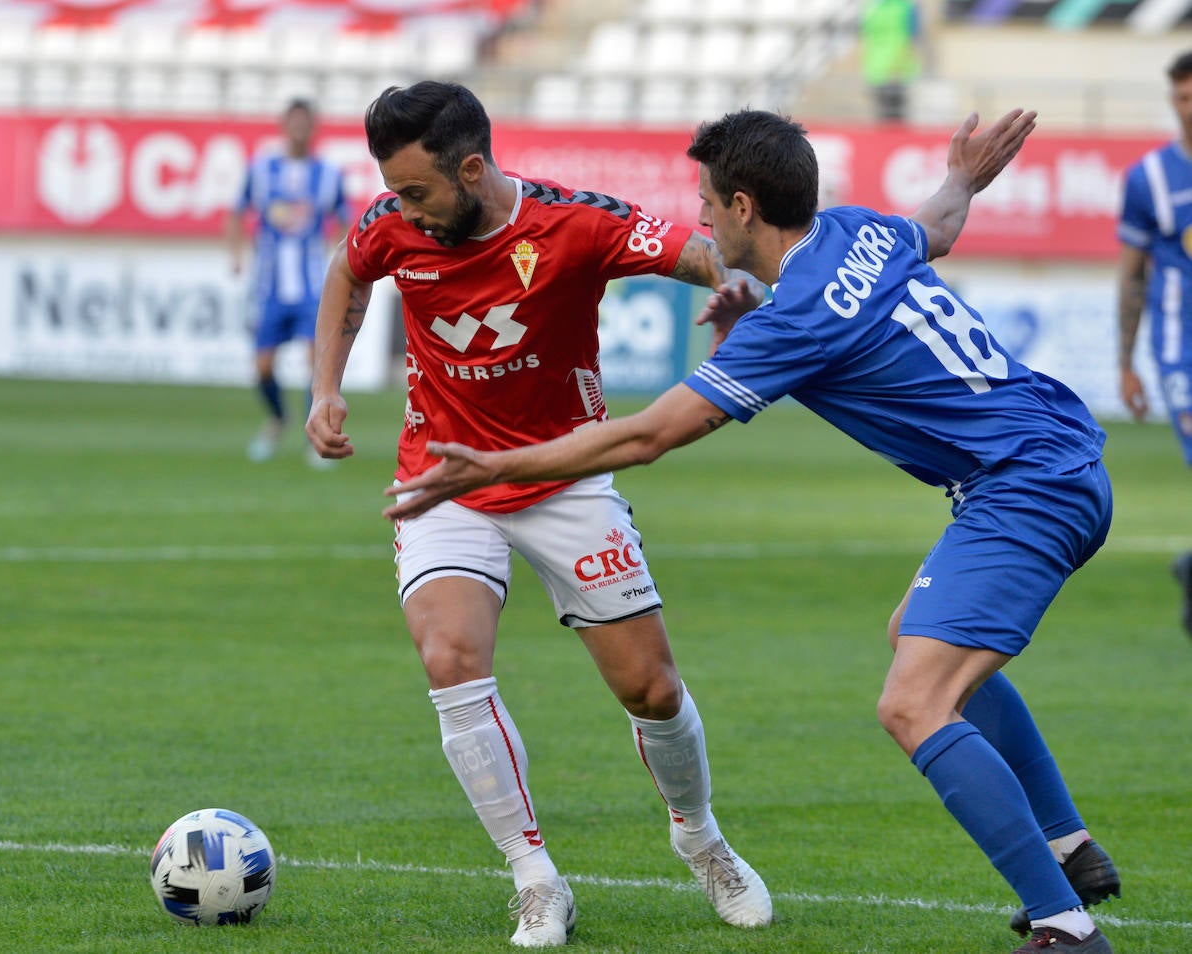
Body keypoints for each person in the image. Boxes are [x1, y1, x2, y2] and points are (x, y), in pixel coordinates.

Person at [385, 108, 1123, 954]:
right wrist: (961, 176)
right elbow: (939, 224)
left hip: (1024, 488)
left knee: (914, 704)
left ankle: (1066, 929)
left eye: (705, 200)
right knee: (923, 652)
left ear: (742, 206)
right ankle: (1068, 847)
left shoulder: (795, 318)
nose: (696, 217)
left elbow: (647, 435)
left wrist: (495, 466)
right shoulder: (861, 232)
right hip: (1058, 456)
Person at [306, 81, 773, 947]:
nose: (401, 210)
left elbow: (700, 252)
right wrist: (325, 387)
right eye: (394, 192)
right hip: (446, 479)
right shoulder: (389, 225)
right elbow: (346, 272)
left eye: (417, 191)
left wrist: (733, 285)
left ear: (473, 169)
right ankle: (535, 878)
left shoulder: (573, 225)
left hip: (567, 476)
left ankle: (701, 839)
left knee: (652, 688)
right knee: (450, 657)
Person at [226, 98, 350, 466]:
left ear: (313, 127)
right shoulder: (261, 170)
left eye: (305, 123)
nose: (299, 129)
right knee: (263, 367)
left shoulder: (328, 174)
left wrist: (337, 258)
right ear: (284, 125)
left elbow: (345, 219)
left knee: (316, 364)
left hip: (312, 287)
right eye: (293, 122)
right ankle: (279, 418)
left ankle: (317, 439)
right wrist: (236, 255)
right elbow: (236, 212)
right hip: (270, 288)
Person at [1115, 49, 1192, 638]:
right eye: (1181, 98)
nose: (1187, 109)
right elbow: (1133, 275)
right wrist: (1126, 362)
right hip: (1180, 349)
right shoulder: (1149, 179)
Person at [860, 0, 922, 123]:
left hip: (879, 70)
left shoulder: (871, 7)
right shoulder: (907, 7)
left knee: (885, 119)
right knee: (895, 120)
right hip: (895, 71)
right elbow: (913, 40)